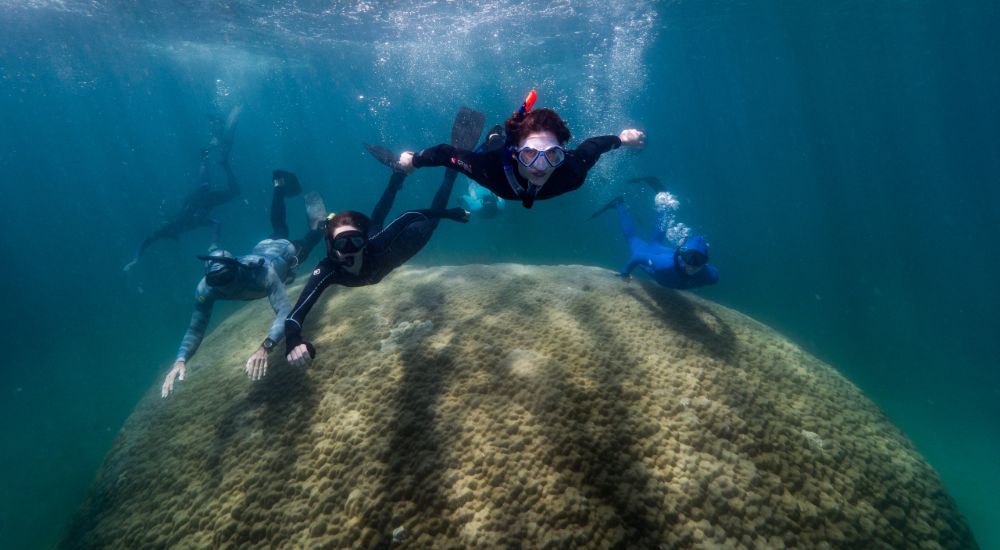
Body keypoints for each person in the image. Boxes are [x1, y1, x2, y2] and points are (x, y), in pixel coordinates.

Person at [283, 109, 483, 367]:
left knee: (411, 224)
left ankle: (444, 172)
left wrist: (448, 213)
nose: (350, 251)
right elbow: (295, 315)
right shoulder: (327, 270)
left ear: (363, 241)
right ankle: (398, 173)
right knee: (375, 222)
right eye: (341, 244)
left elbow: (411, 216)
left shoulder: (372, 244)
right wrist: (292, 340)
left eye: (355, 241)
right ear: (330, 248)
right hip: (381, 250)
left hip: (398, 249)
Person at [160, 170, 328, 397]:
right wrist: (180, 360)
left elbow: (284, 310)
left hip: (284, 255)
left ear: (237, 269)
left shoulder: (261, 274)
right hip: (264, 248)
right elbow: (195, 329)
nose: (223, 286)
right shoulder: (206, 288)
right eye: (216, 280)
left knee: (311, 235)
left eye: (226, 278)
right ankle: (278, 186)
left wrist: (266, 347)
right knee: (279, 228)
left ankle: (321, 224)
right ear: (208, 276)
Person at [395, 90, 646, 208]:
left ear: (563, 154)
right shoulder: (488, 169)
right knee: (493, 144)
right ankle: (496, 134)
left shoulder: (572, 171)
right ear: (517, 153)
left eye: (552, 155)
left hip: (509, 171)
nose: (540, 166)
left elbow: (594, 147)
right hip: (499, 157)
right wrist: (414, 159)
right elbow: (443, 153)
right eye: (529, 154)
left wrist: (622, 139)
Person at [124, 105, 243, 272]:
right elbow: (148, 240)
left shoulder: (180, 225)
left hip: (202, 200)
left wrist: (214, 241)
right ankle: (213, 159)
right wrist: (136, 259)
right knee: (213, 188)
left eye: (173, 235)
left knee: (208, 188)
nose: (175, 237)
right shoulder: (178, 226)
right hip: (201, 200)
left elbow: (215, 222)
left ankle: (210, 158)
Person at [590, 195, 719, 290]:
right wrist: (625, 273)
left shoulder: (711, 275)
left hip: (661, 251)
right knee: (632, 239)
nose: (692, 265)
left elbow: (712, 275)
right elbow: (638, 257)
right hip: (651, 253)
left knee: (655, 241)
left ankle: (664, 208)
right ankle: (619, 204)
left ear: (705, 262)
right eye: (689, 258)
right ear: (682, 255)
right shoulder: (664, 264)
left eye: (699, 261)